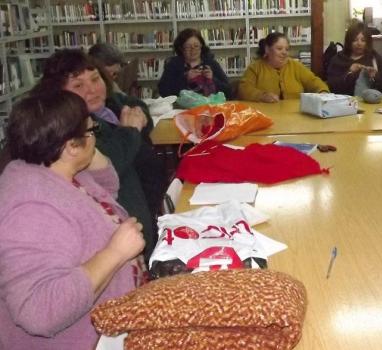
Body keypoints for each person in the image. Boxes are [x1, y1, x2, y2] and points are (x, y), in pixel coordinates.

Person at [0, 91, 145, 349]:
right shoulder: (31, 209)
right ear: (70, 146)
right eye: (92, 131)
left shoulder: (54, 167)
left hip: (113, 329)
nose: (95, 137)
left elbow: (108, 183)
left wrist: (81, 141)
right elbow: (39, 312)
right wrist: (116, 253)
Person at [31, 49, 163, 263]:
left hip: (140, 225)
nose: (91, 90)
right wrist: (130, 131)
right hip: (118, 240)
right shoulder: (69, 129)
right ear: (59, 93)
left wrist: (134, 126)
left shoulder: (105, 108)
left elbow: (136, 107)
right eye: (78, 85)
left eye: (95, 79)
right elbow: (107, 165)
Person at [238, 32, 329, 102]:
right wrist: (262, 96)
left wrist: (323, 92)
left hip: (294, 117)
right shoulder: (255, 68)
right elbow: (244, 89)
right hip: (266, 114)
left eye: (287, 49)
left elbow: (313, 81)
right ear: (267, 49)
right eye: (279, 49)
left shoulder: (295, 66)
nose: (284, 52)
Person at [158, 28, 231, 98]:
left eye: (196, 46)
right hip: (180, 108)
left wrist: (213, 79)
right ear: (181, 48)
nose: (193, 50)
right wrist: (185, 79)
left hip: (209, 106)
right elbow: (163, 91)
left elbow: (228, 91)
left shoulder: (211, 63)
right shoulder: (173, 64)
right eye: (188, 47)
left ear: (201, 46)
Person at [326, 21, 382, 96]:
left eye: (363, 40)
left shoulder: (374, 58)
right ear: (349, 41)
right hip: (344, 103)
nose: (359, 43)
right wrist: (349, 73)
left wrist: (375, 76)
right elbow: (331, 86)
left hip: (370, 104)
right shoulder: (338, 59)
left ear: (368, 42)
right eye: (355, 40)